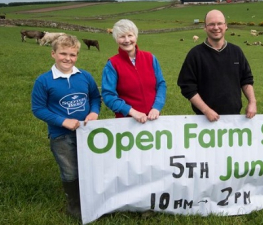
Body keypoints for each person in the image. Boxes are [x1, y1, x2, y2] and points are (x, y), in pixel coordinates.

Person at [31, 34, 101, 220]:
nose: (68, 58)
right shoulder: (44, 81)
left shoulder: (84, 76)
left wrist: (94, 112)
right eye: (63, 53)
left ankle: (92, 199)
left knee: (89, 167)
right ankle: (74, 205)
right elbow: (38, 109)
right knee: (70, 170)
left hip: (87, 133)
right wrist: (63, 121)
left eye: (73, 54)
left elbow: (95, 96)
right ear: (53, 54)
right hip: (61, 135)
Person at [177, 9, 257, 122]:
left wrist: (252, 102)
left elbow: (246, 80)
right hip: (203, 120)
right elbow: (187, 87)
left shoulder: (236, 52)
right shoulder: (195, 54)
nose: (216, 27)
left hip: (234, 119)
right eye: (211, 24)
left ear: (226, 26)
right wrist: (206, 110)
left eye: (219, 23)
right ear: (205, 27)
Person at [102, 19, 166, 123]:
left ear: (136, 36)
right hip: (127, 123)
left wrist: (156, 107)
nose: (127, 40)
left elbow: (161, 84)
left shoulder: (150, 58)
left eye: (130, 35)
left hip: (153, 120)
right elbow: (108, 95)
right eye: (122, 36)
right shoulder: (112, 64)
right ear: (116, 39)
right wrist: (131, 112)